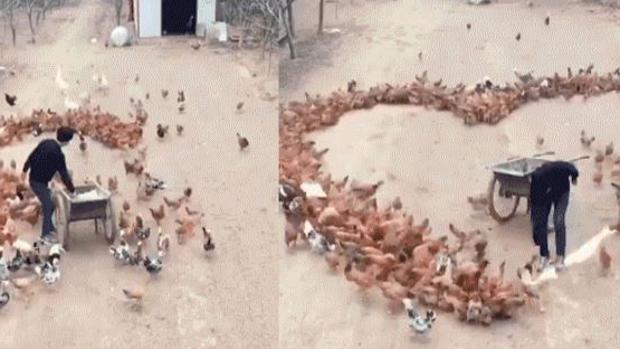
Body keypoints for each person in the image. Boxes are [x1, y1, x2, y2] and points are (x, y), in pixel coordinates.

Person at [22, 127, 76, 245]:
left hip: (35, 178)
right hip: (38, 182)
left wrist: (24, 170)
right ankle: (44, 235)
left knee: (50, 204)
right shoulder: (59, 155)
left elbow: (31, 157)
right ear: (67, 141)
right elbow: (64, 175)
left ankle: (50, 226)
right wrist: (72, 190)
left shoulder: (45, 142)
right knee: (48, 205)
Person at [529, 160, 579, 271]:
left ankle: (560, 257)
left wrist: (574, 178)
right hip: (545, 197)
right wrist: (536, 234)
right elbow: (534, 210)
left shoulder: (557, 168)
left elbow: (573, 168)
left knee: (558, 220)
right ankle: (544, 255)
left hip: (562, 192)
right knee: (541, 223)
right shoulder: (536, 183)